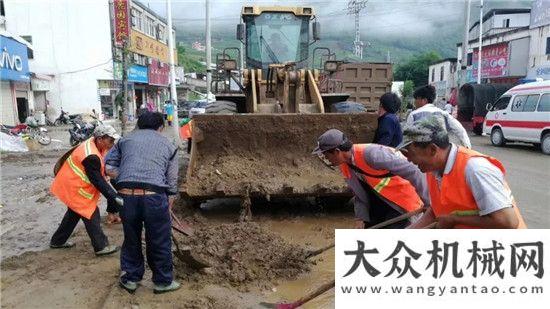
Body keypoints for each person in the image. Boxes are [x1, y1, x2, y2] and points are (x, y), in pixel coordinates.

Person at [397, 114, 526, 229]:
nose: (409, 160)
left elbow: (508, 222)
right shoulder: (433, 169)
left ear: (432, 150)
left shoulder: (475, 169)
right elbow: (435, 211)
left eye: (411, 154)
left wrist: (455, 219)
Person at [105, 112, 180, 294]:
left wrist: (124, 175)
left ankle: (131, 278)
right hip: (154, 196)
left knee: (131, 238)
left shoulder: (124, 140)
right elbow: (172, 179)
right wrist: (169, 199)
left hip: (126, 197)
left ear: (139, 124)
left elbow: (108, 166)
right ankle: (162, 282)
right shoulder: (169, 145)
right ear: (160, 127)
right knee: (159, 239)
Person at [312, 129, 430, 228]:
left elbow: (414, 170)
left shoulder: (372, 154)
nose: (326, 159)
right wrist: (360, 218)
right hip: (381, 203)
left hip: (401, 204)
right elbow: (359, 194)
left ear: (337, 152)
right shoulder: (345, 165)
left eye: (327, 155)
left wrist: (429, 203)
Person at [50, 125, 122, 256]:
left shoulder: (94, 144)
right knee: (90, 213)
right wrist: (114, 197)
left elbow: (102, 172)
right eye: (111, 140)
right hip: (75, 186)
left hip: (71, 182)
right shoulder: (91, 156)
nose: (113, 143)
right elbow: (98, 181)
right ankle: (101, 246)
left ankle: (57, 241)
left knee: (74, 213)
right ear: (100, 139)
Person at [407, 85, 471, 149]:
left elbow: (408, 137)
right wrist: (467, 147)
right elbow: (460, 130)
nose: (414, 102)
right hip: (441, 153)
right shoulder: (444, 113)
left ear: (424, 100)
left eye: (416, 99)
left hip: (421, 152)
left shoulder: (413, 114)